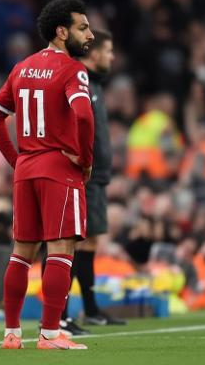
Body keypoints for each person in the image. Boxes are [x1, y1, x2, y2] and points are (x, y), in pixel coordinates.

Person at [0, 0, 94, 350]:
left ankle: (11, 334)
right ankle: (49, 334)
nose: (90, 35)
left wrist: (16, 161)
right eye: (83, 27)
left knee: (21, 253)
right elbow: (83, 115)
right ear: (62, 32)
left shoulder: (22, 67)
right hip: (60, 168)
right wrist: (85, 159)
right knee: (61, 250)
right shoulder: (73, 70)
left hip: (27, 169)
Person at [63, 30, 126, 329]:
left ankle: (90, 309)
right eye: (109, 51)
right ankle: (59, 314)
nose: (112, 57)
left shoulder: (95, 84)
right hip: (81, 175)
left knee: (89, 243)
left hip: (97, 177)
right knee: (68, 243)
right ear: (96, 52)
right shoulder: (77, 80)